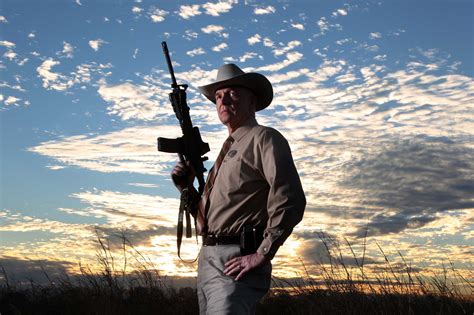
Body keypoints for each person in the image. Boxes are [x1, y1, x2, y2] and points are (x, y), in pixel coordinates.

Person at [171, 63, 306, 314]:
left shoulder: (264, 138)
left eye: (232, 93)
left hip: (237, 259)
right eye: (218, 96)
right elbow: (208, 221)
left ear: (252, 101)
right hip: (208, 260)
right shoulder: (226, 152)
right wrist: (186, 188)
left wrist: (262, 253)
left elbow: (290, 198)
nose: (222, 100)